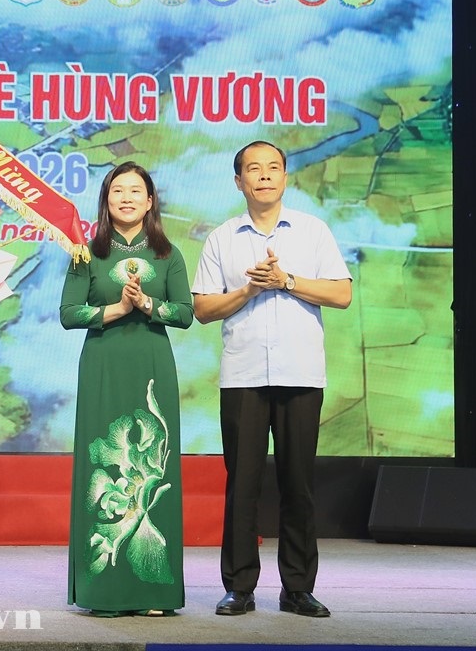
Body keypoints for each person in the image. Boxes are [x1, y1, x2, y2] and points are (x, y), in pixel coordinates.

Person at [192, 141, 352, 619]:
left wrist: (286, 281)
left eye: (273, 168)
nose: (264, 176)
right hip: (243, 375)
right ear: (238, 181)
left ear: (285, 177)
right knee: (242, 484)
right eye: (253, 169)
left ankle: (297, 588)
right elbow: (203, 308)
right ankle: (239, 587)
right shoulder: (222, 238)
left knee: (297, 484)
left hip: (300, 373)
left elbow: (341, 294)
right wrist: (249, 289)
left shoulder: (312, 231)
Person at [60, 161, 194, 617]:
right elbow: (69, 313)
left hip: (152, 367)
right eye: (118, 190)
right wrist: (116, 309)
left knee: (154, 467)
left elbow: (185, 313)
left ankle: (153, 593)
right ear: (106, 199)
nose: (127, 198)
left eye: (136, 190)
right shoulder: (85, 253)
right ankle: (104, 593)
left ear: (150, 200)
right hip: (102, 364)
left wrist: (148, 303)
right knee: (105, 460)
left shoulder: (168, 254)